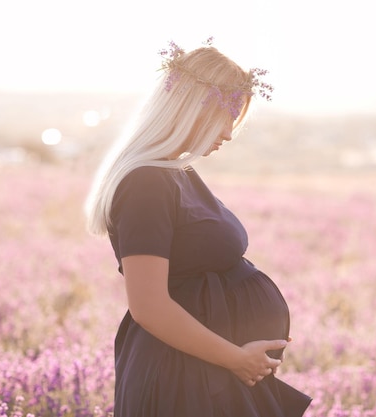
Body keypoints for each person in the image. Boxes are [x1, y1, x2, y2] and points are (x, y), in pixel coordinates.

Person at [85, 39, 311, 417]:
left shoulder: (174, 174)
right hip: (184, 377)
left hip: (208, 371)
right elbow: (149, 306)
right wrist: (236, 358)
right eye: (227, 116)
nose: (228, 133)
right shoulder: (147, 183)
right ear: (194, 110)